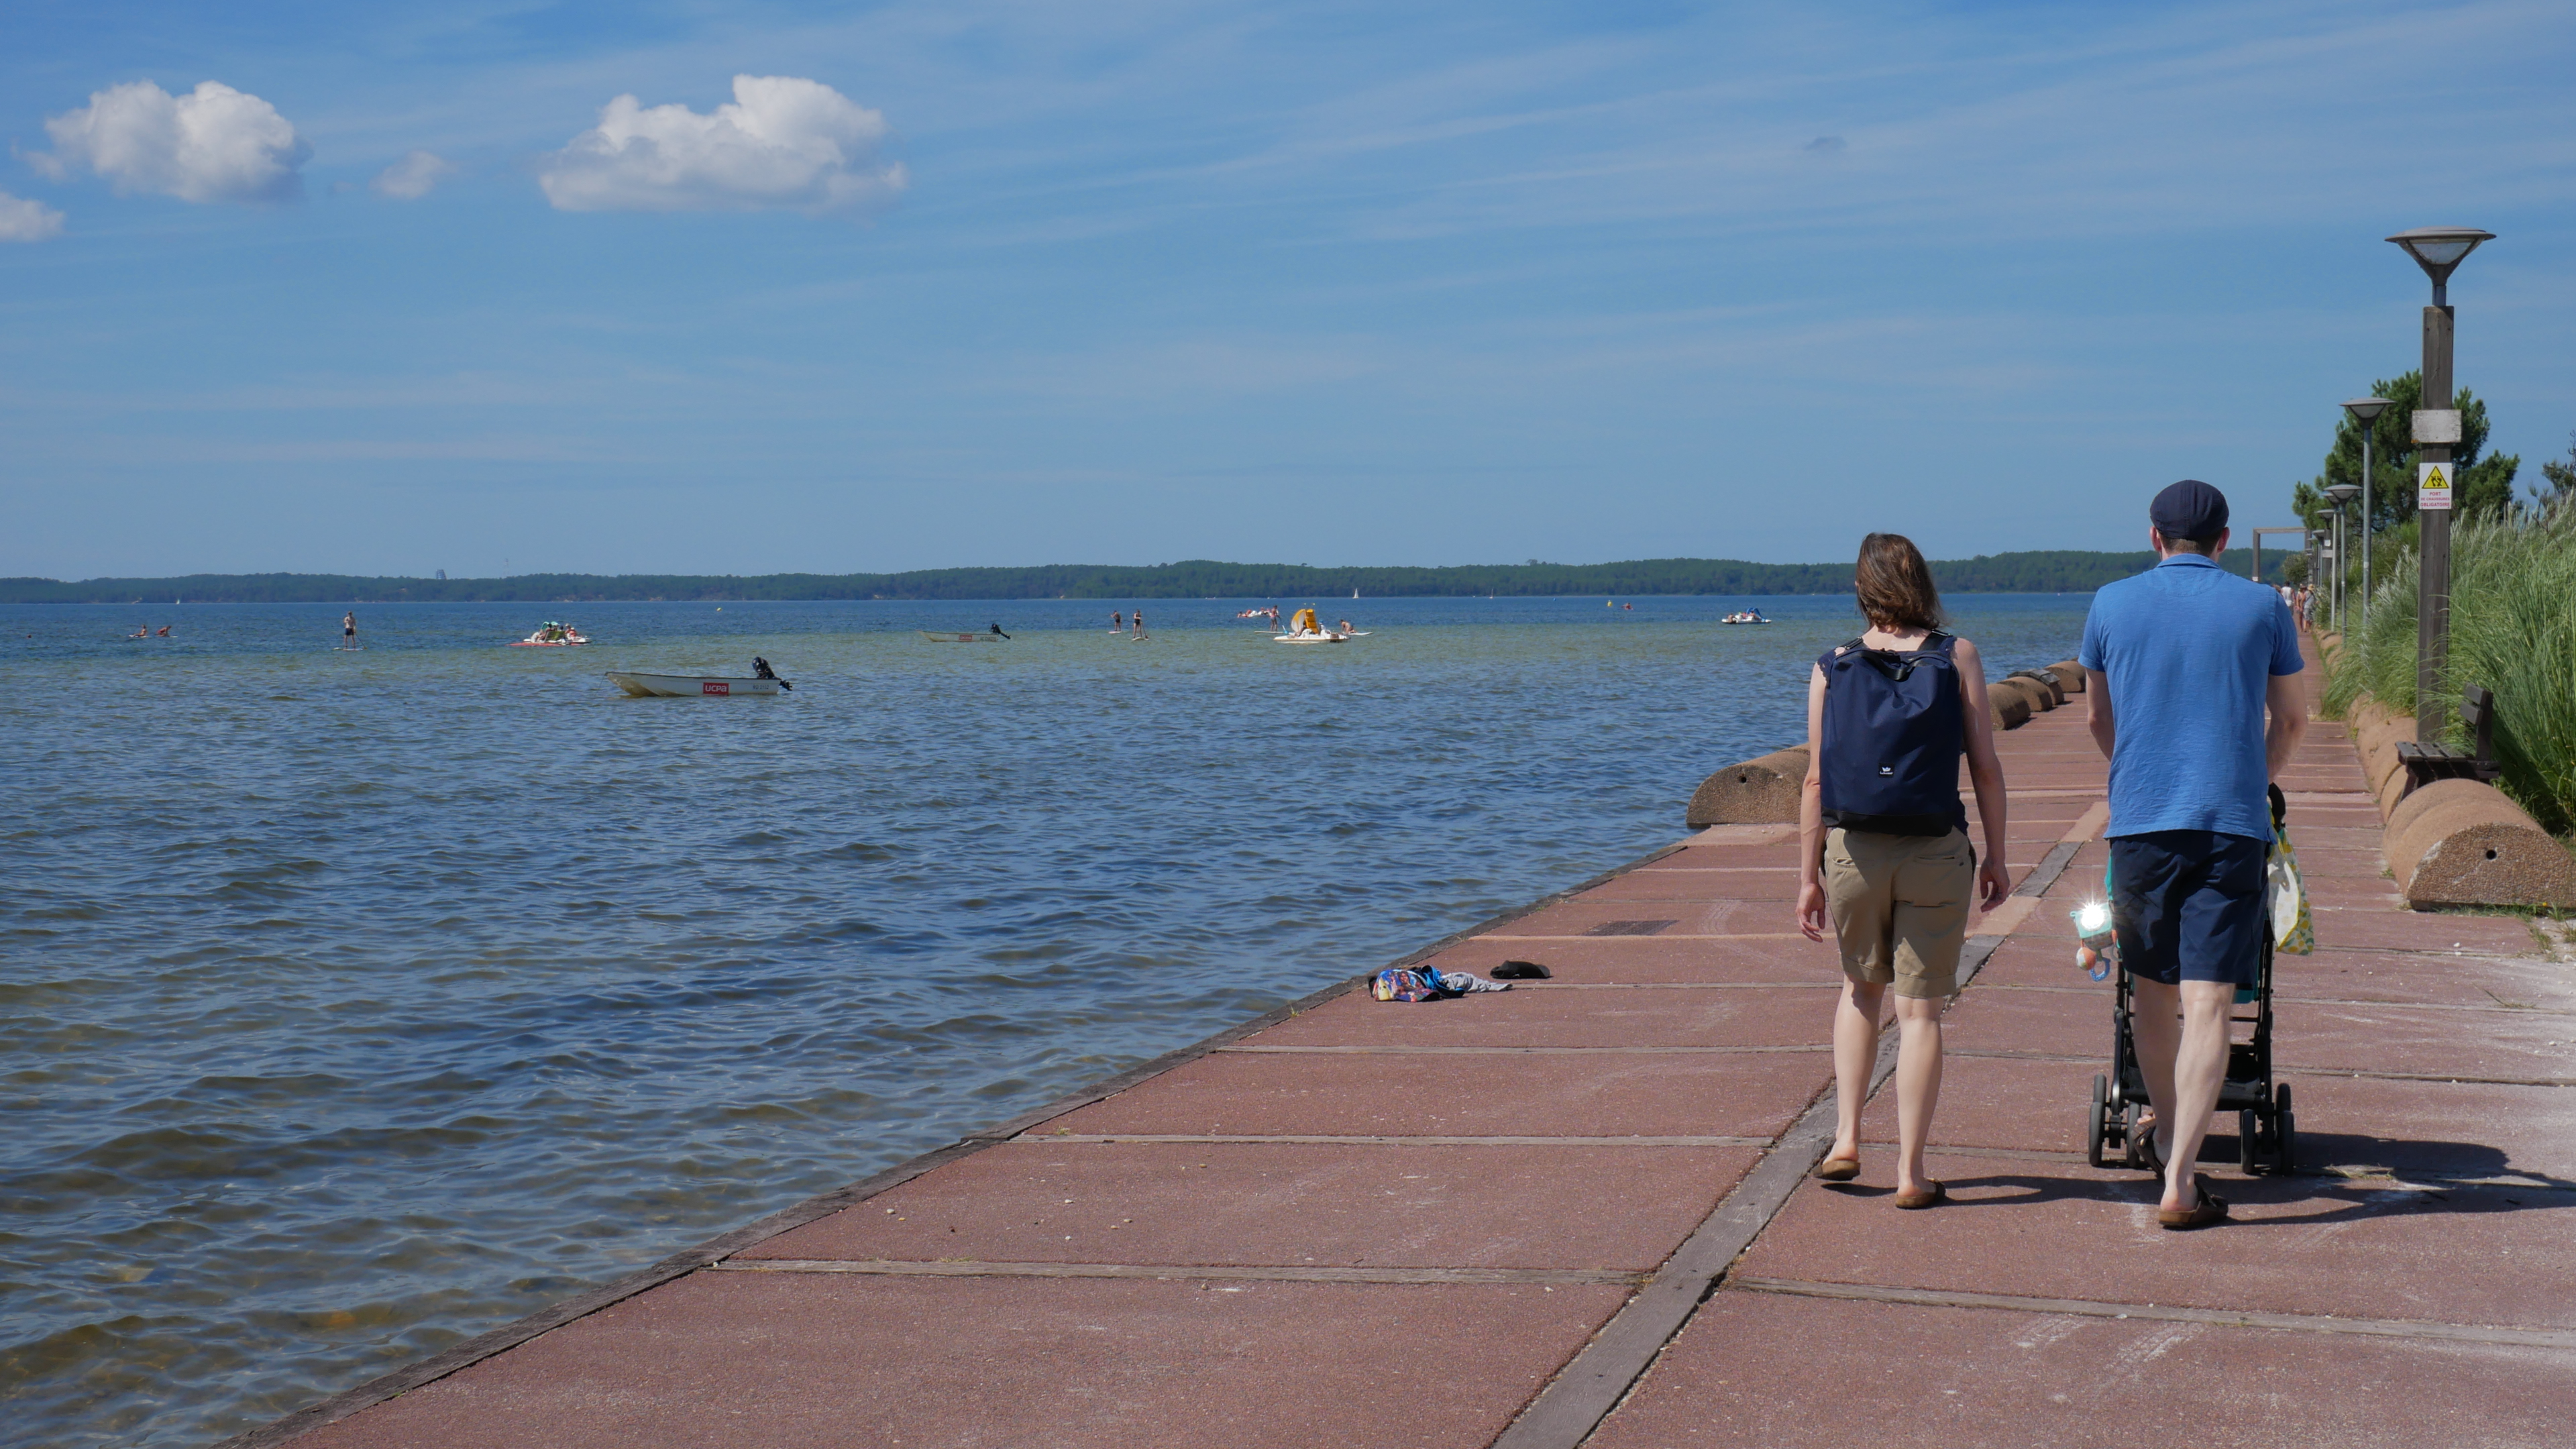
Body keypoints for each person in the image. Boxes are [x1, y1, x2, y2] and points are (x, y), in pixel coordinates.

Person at [2081, 480, 2305, 1230]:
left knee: (2150, 993)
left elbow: (2096, 718)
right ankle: (2181, 1178)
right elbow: (2293, 719)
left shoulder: (2110, 604)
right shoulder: (2263, 607)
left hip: (2142, 825)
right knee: (2211, 1000)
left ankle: (2172, 1139)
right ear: (2223, 539)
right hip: (2231, 824)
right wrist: (2254, 775)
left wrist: (2138, 772)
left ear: (2153, 537)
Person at [1796, 533, 2010, 1208]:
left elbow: (1813, 781)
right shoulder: (1958, 656)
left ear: (1863, 589)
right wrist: (1998, 856)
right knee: (1920, 1014)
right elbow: (1982, 765)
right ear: (1921, 584)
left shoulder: (1833, 665)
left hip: (1854, 850)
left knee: (1861, 992)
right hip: (1934, 849)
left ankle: (1846, 1139)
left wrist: (1808, 876)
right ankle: (1912, 1174)